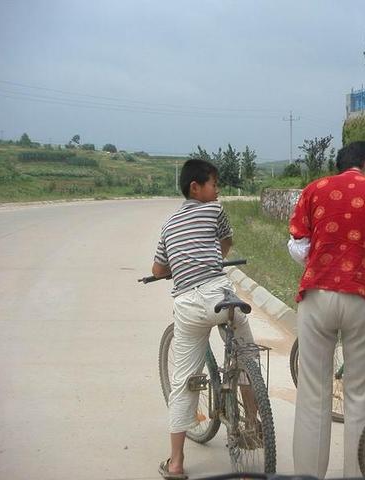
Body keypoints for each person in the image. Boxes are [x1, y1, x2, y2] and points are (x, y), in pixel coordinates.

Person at [288, 140, 365, 478]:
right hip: (364, 296)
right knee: (362, 394)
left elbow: (298, 247)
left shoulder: (314, 189)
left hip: (316, 294)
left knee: (313, 394)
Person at [152, 158, 255, 480]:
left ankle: (177, 463)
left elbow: (158, 270)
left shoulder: (168, 225)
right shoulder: (214, 211)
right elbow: (225, 245)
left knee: (184, 381)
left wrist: (178, 266)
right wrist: (207, 256)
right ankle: (253, 423)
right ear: (195, 187)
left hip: (187, 304)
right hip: (219, 295)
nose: (218, 189)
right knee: (246, 354)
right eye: (214, 183)